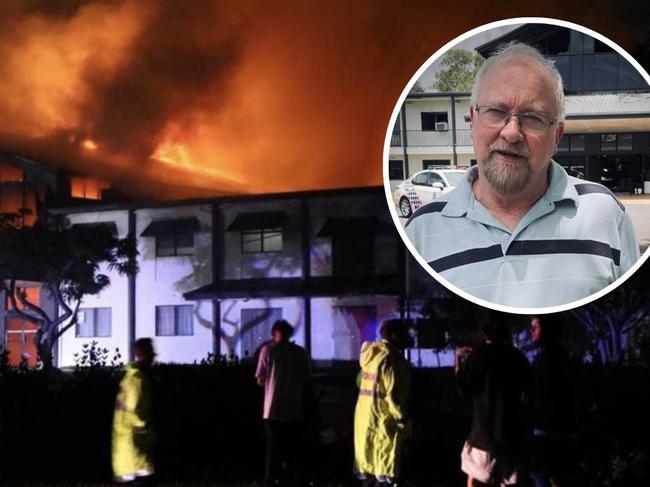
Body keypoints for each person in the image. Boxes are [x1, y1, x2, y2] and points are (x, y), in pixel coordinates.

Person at [405, 41, 640, 308]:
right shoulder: (421, 231)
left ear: (557, 137)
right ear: (473, 119)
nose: (512, 133)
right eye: (496, 112)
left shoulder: (607, 215)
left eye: (533, 118)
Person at [455, 320, 531, 486]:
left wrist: (459, 362)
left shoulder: (478, 356)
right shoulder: (517, 356)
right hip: (512, 433)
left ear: (484, 334)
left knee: (476, 476)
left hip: (484, 432)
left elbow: (464, 388)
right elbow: (529, 388)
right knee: (509, 479)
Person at [354, 319, 412, 486]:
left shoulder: (372, 357)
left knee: (370, 476)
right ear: (395, 336)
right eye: (405, 334)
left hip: (366, 423)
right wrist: (404, 419)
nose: (409, 337)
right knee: (386, 475)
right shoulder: (394, 361)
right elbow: (395, 399)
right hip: (386, 426)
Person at [255, 320, 310, 486]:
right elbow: (306, 378)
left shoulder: (267, 351)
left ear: (274, 333)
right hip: (294, 407)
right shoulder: (300, 353)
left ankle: (270, 478)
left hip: (272, 408)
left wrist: (272, 380)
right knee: (293, 446)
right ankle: (293, 478)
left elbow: (260, 379)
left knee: (273, 447)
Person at [529, 315, 579, 487]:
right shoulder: (559, 357)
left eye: (536, 327)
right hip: (554, 431)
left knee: (547, 475)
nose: (532, 331)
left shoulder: (550, 359)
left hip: (549, 432)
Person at [112, 338, 156, 484]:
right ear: (143, 354)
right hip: (134, 448)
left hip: (130, 447)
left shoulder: (133, 377)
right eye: (151, 351)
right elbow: (132, 411)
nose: (154, 355)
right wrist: (145, 424)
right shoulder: (137, 379)